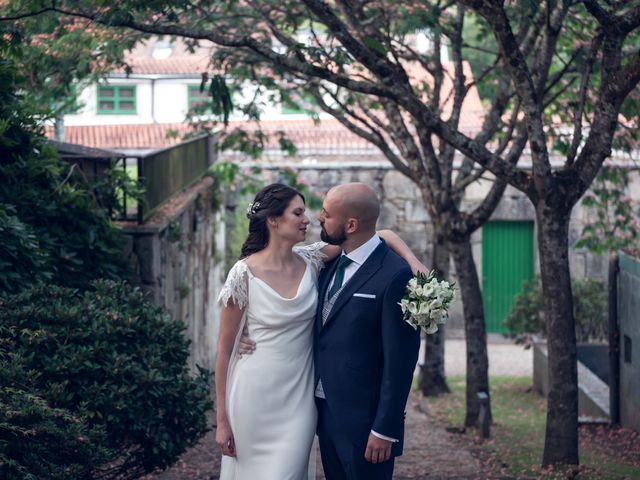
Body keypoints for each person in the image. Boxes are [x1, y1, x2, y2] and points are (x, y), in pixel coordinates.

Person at [215, 183, 423, 480]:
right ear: (273, 220)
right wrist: (221, 420)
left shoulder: (312, 260)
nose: (310, 219)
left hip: (300, 400)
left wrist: (412, 261)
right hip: (253, 395)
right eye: (298, 212)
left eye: (313, 212)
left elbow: (376, 236)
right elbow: (223, 350)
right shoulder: (242, 273)